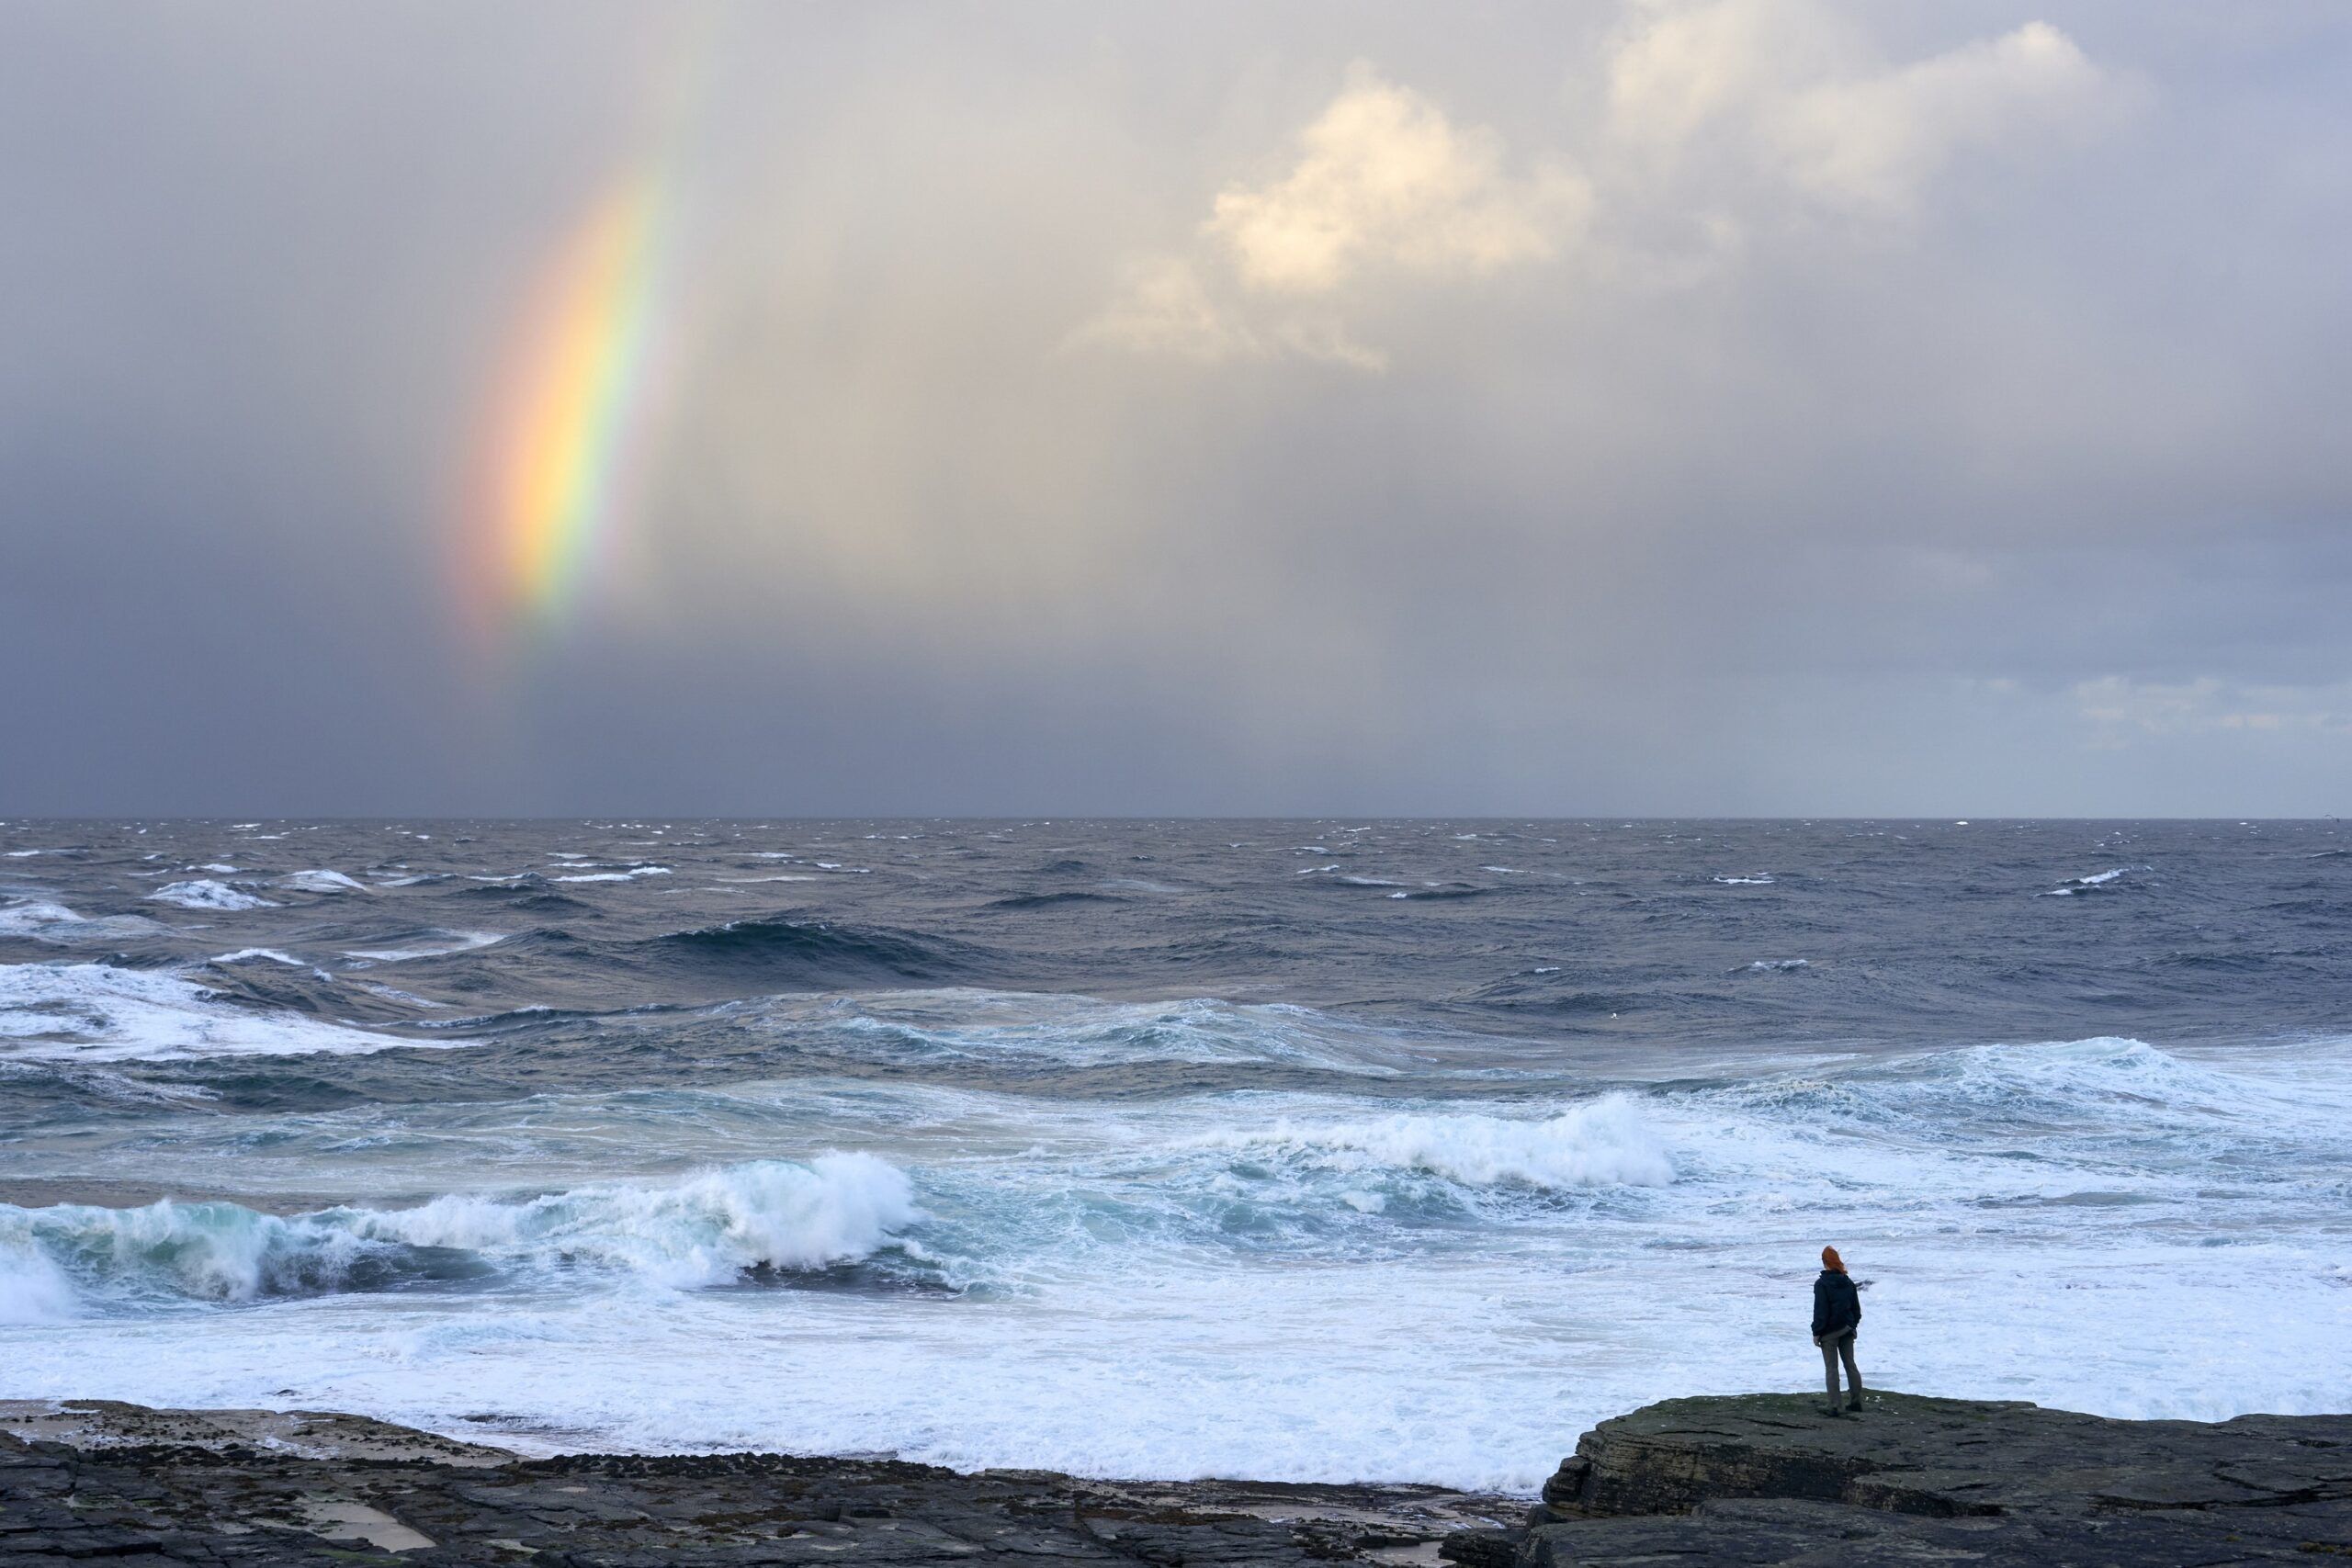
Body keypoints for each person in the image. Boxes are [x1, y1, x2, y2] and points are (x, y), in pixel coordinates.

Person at [1812, 1245, 1863, 1415]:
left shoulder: (1822, 1284)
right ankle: (1856, 1402)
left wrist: (1817, 1332)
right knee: (1850, 1365)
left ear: (1824, 1262)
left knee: (1832, 1369)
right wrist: (1852, 1326)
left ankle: (1835, 1406)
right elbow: (1856, 1310)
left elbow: (1821, 1311)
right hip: (1847, 1329)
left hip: (1829, 1333)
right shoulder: (1848, 1282)